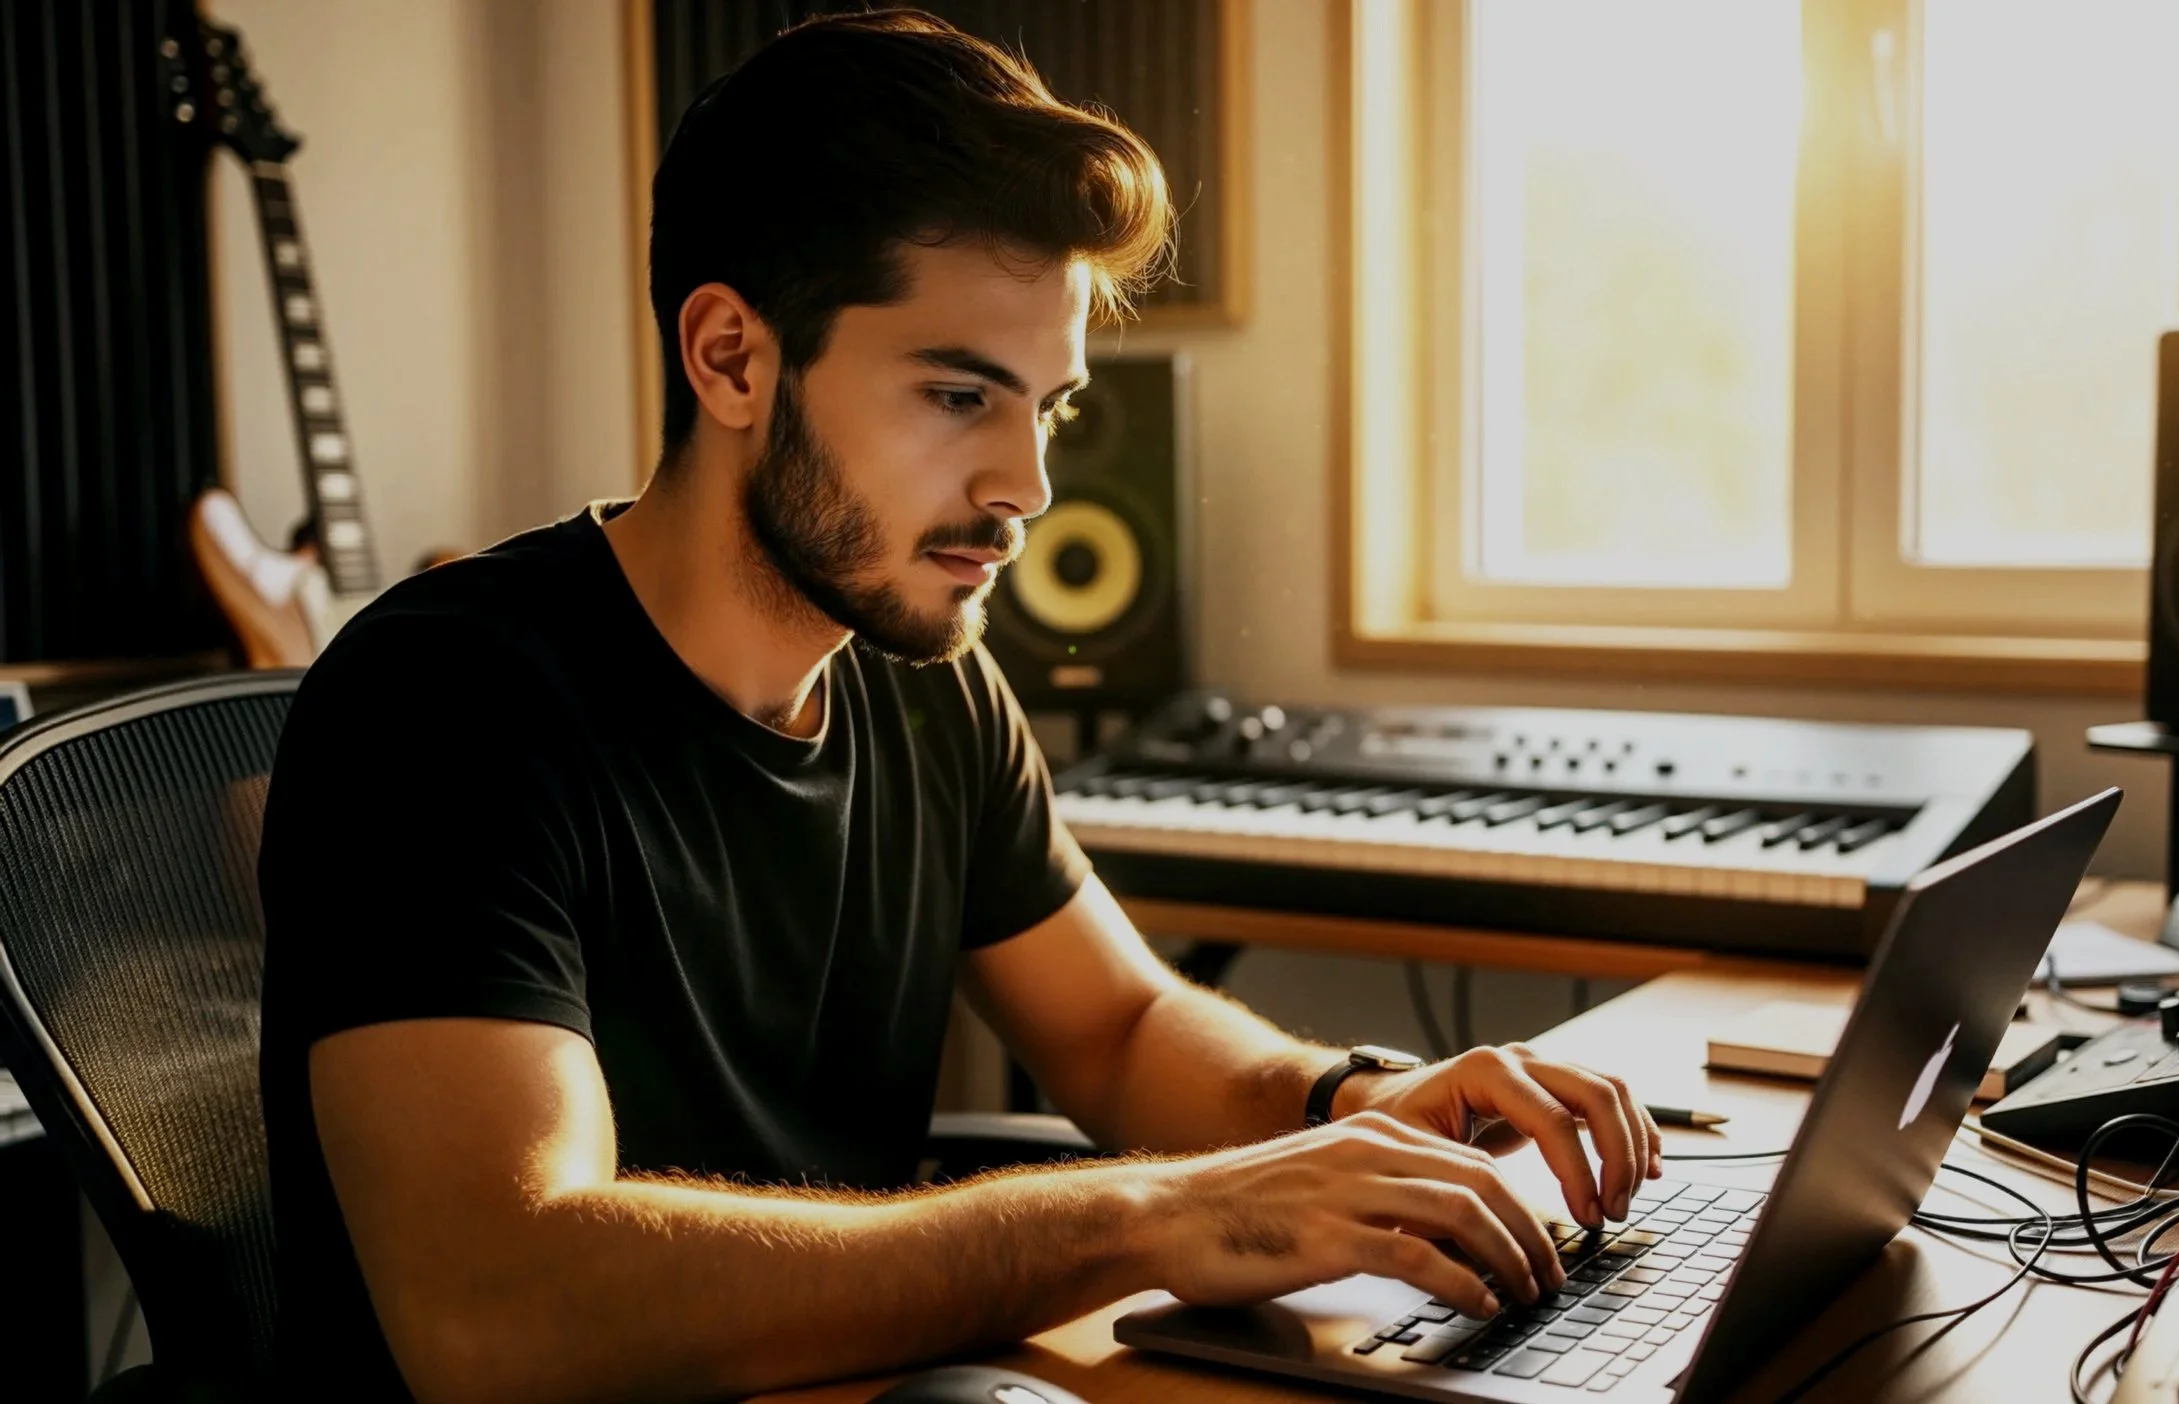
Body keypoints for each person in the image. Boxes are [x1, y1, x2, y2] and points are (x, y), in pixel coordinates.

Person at [257, 11, 1662, 1403]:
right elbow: (499, 1313)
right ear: (732, 357)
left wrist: (1345, 1100)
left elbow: (1116, 1030)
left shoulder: (924, 681)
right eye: (954, 393)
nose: (1025, 488)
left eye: (1043, 409)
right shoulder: (442, 702)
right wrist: (1150, 1216)